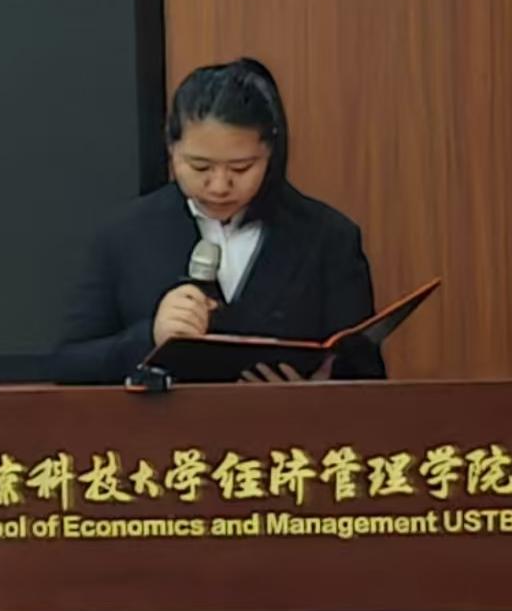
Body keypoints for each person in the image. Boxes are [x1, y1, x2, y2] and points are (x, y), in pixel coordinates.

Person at [52, 57, 385, 384]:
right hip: (167, 421)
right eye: (200, 167)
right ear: (171, 146)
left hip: (289, 421)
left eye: (241, 168)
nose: (219, 186)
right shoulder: (123, 235)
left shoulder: (328, 237)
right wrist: (150, 336)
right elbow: (68, 364)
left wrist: (317, 395)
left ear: (271, 152)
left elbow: (368, 378)